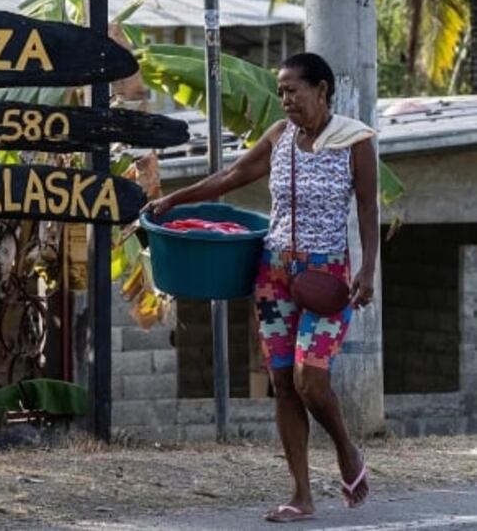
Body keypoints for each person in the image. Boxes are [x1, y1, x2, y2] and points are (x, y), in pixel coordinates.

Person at [144, 52, 377, 523]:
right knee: (283, 384)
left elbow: (369, 210)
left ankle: (347, 451)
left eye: (294, 89)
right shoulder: (281, 138)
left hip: (327, 275)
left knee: (311, 379)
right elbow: (231, 177)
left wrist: (367, 269)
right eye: (281, 90)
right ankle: (301, 496)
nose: (285, 99)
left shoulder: (355, 141)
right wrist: (174, 198)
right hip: (274, 275)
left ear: (321, 90)